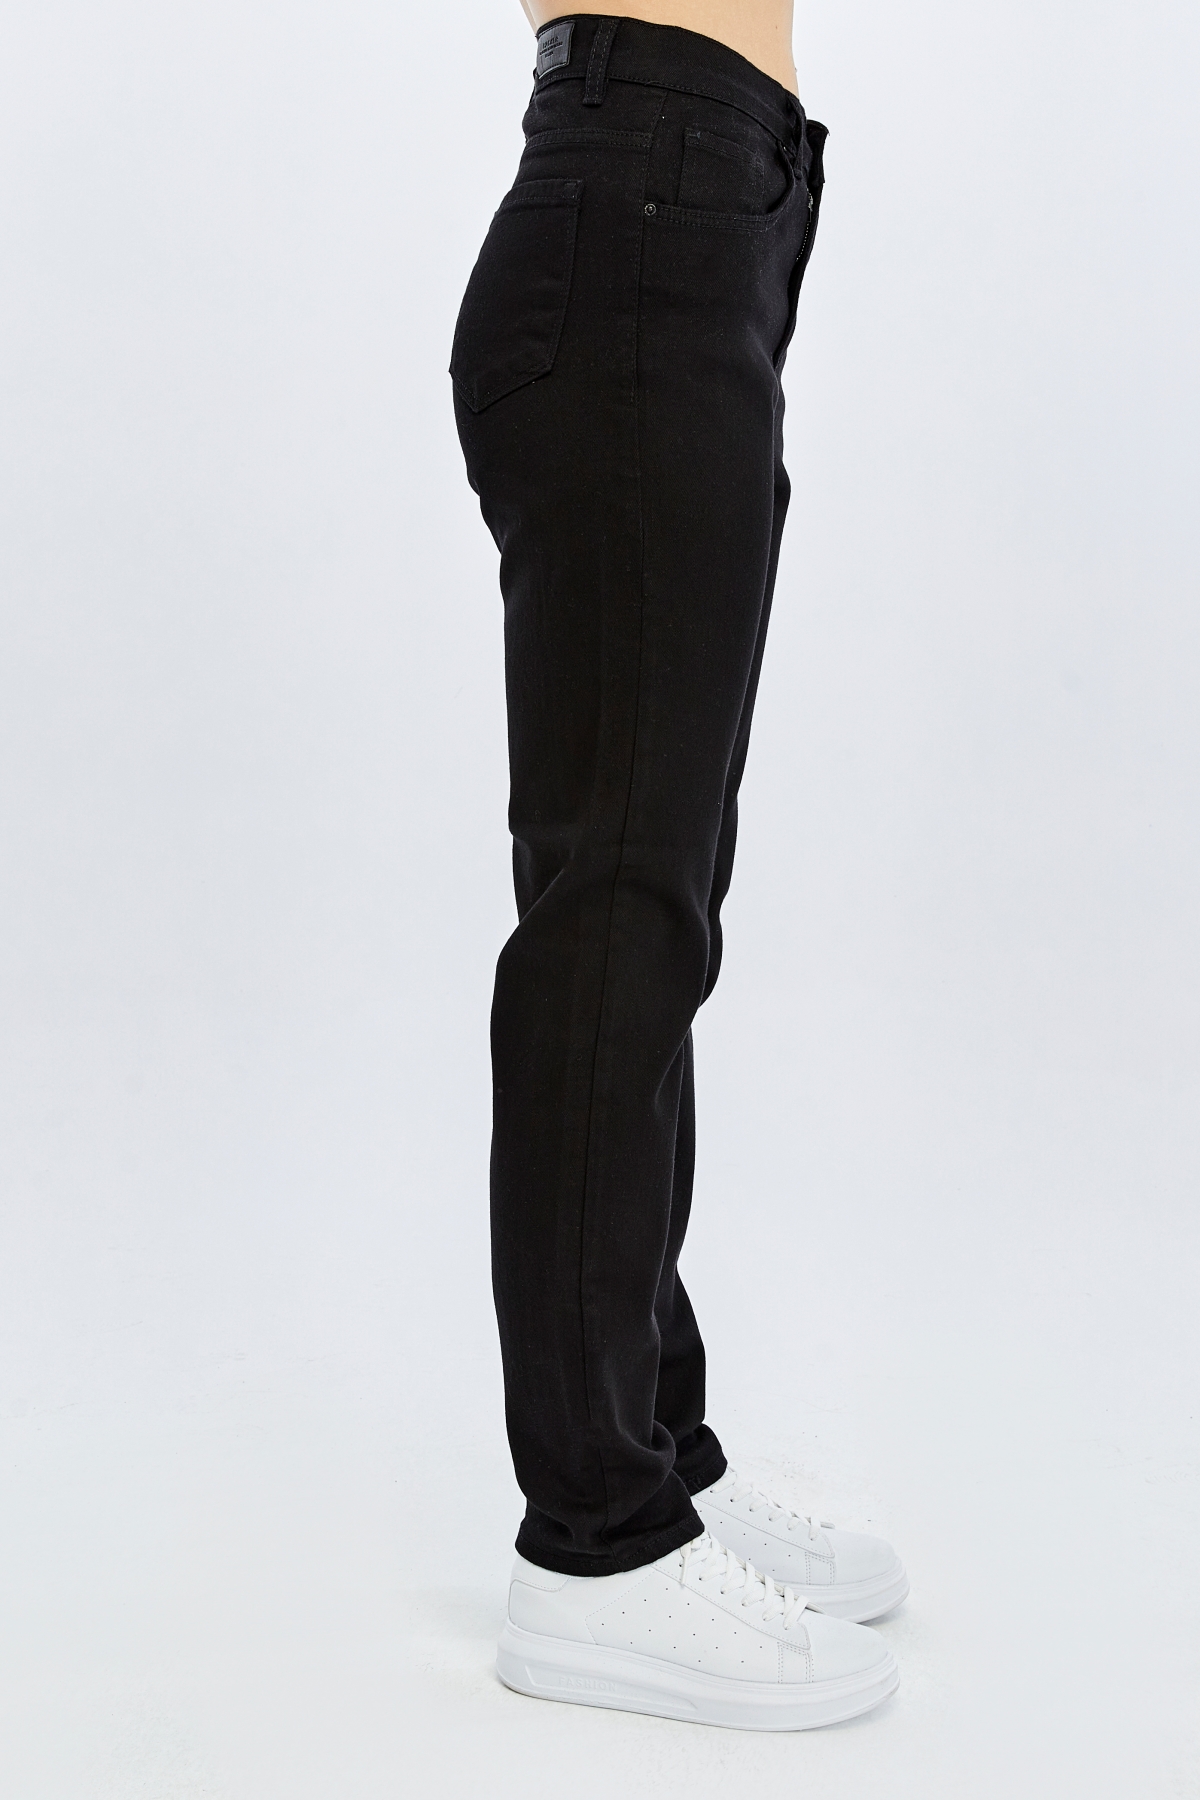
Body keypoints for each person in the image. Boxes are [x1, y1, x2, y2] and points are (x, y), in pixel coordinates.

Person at [451, 5, 907, 1729]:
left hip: (698, 218)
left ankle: (651, 1449)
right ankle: (597, 1544)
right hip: (647, 207)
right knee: (617, 905)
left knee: (656, 898)